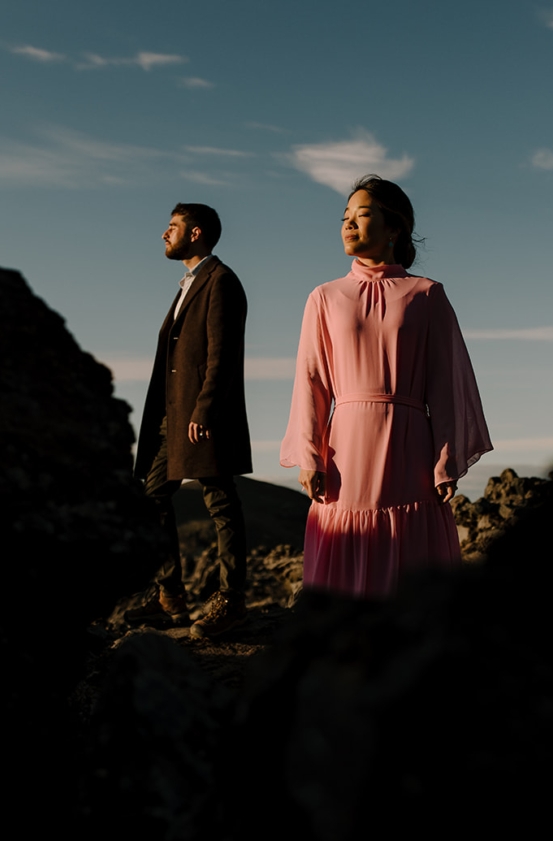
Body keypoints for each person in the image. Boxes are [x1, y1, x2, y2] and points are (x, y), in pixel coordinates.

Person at [280, 176, 491, 597]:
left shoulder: (427, 295)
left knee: (409, 552)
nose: (348, 225)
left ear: (394, 228)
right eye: (345, 218)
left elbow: (448, 385)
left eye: (362, 215)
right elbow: (311, 380)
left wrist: (446, 457)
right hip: (346, 447)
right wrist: (309, 453)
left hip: (409, 443)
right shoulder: (323, 297)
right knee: (347, 541)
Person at [128, 203, 252, 638]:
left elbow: (221, 355)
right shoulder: (186, 286)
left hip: (201, 414)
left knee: (220, 501)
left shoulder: (221, 282)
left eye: (172, 227)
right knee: (151, 497)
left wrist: (204, 410)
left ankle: (231, 600)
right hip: (171, 417)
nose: (164, 234)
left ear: (195, 233)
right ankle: (170, 596)